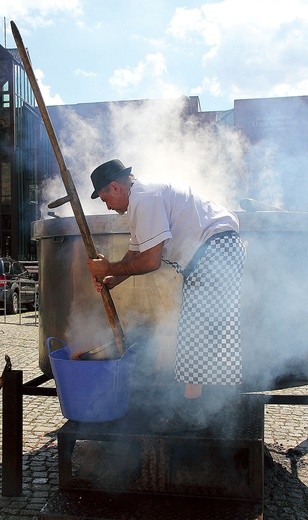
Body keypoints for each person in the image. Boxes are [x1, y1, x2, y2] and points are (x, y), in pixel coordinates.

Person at [87, 159, 246, 432]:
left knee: (200, 332)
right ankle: (210, 410)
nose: (107, 206)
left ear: (115, 187)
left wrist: (107, 267)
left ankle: (199, 414)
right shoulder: (140, 202)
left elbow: (151, 261)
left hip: (216, 250)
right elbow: (137, 253)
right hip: (215, 251)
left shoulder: (145, 198)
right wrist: (115, 278)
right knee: (205, 332)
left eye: (104, 198)